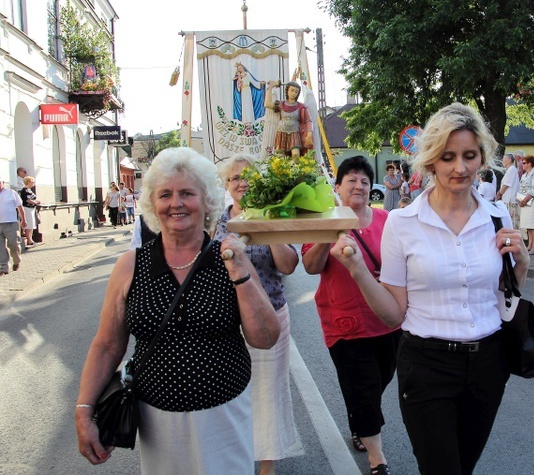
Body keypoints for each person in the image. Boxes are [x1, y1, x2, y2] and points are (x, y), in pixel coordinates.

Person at [327, 103, 530, 474]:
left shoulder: (497, 216)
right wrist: (357, 268)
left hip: (488, 364)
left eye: (470, 156)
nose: (460, 168)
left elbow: (505, 302)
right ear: (431, 162)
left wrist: (522, 266)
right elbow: (394, 313)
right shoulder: (402, 223)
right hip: (427, 364)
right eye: (448, 157)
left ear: (482, 157)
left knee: (463, 466)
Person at [75, 147, 281, 471]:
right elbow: (107, 344)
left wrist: (241, 273)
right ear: (153, 205)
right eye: (165, 194)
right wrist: (84, 407)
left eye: (187, 193)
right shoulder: (131, 265)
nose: (176, 203)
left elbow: (266, 337)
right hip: (157, 423)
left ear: (207, 201)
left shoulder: (227, 259)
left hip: (225, 417)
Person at [302, 156, 401, 474]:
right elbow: (311, 266)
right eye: (351, 180)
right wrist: (329, 234)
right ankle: (377, 459)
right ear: (337, 187)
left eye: (363, 180)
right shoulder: (323, 220)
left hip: (386, 319)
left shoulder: (387, 220)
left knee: (380, 379)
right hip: (344, 323)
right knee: (362, 388)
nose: (358, 185)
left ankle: (361, 417)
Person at [215, 155, 302, 475]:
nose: (242, 182)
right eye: (234, 177)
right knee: (229, 393)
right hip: (226, 322)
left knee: (268, 392)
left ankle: (267, 466)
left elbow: (289, 266)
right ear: (227, 185)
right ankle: (234, 458)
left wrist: (268, 228)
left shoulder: (272, 215)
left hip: (270, 315)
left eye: (248, 176)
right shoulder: (216, 223)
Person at [264, 80, 313, 158]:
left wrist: (309, 134)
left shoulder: (301, 106)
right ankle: (281, 170)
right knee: (280, 156)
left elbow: (308, 121)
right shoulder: (281, 104)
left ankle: (296, 170)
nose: (294, 93)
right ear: (287, 91)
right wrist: (270, 88)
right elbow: (267, 104)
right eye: (292, 90)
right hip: (281, 132)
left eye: (296, 92)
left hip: (294, 132)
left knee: (296, 154)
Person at [0, 179, 25, 275]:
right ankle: (4, 267)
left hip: (11, 223)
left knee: (14, 244)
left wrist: (24, 220)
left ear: (3, 183)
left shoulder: (11, 193)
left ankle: (17, 260)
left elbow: (20, 206)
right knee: (0, 247)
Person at [518, 155, 534, 254]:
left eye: (524, 163)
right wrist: (521, 199)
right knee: (528, 224)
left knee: (533, 224)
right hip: (524, 200)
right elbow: (521, 188)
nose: (522, 165)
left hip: (533, 200)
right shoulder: (524, 175)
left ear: (529, 164)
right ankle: (530, 244)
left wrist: (525, 199)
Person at [497, 153, 520, 229]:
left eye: (504, 158)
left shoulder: (512, 169)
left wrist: (500, 193)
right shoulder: (509, 170)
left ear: (509, 160)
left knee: (510, 220)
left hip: (510, 199)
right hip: (506, 198)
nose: (502, 160)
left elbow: (506, 184)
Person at [20, 176, 40, 247]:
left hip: (32, 209)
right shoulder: (24, 190)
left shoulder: (29, 190)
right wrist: (35, 203)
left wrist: (36, 201)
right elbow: (27, 200)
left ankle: (30, 239)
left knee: (32, 224)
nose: (33, 183)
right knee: (29, 224)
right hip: (27, 208)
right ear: (28, 182)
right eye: (32, 182)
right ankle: (29, 240)